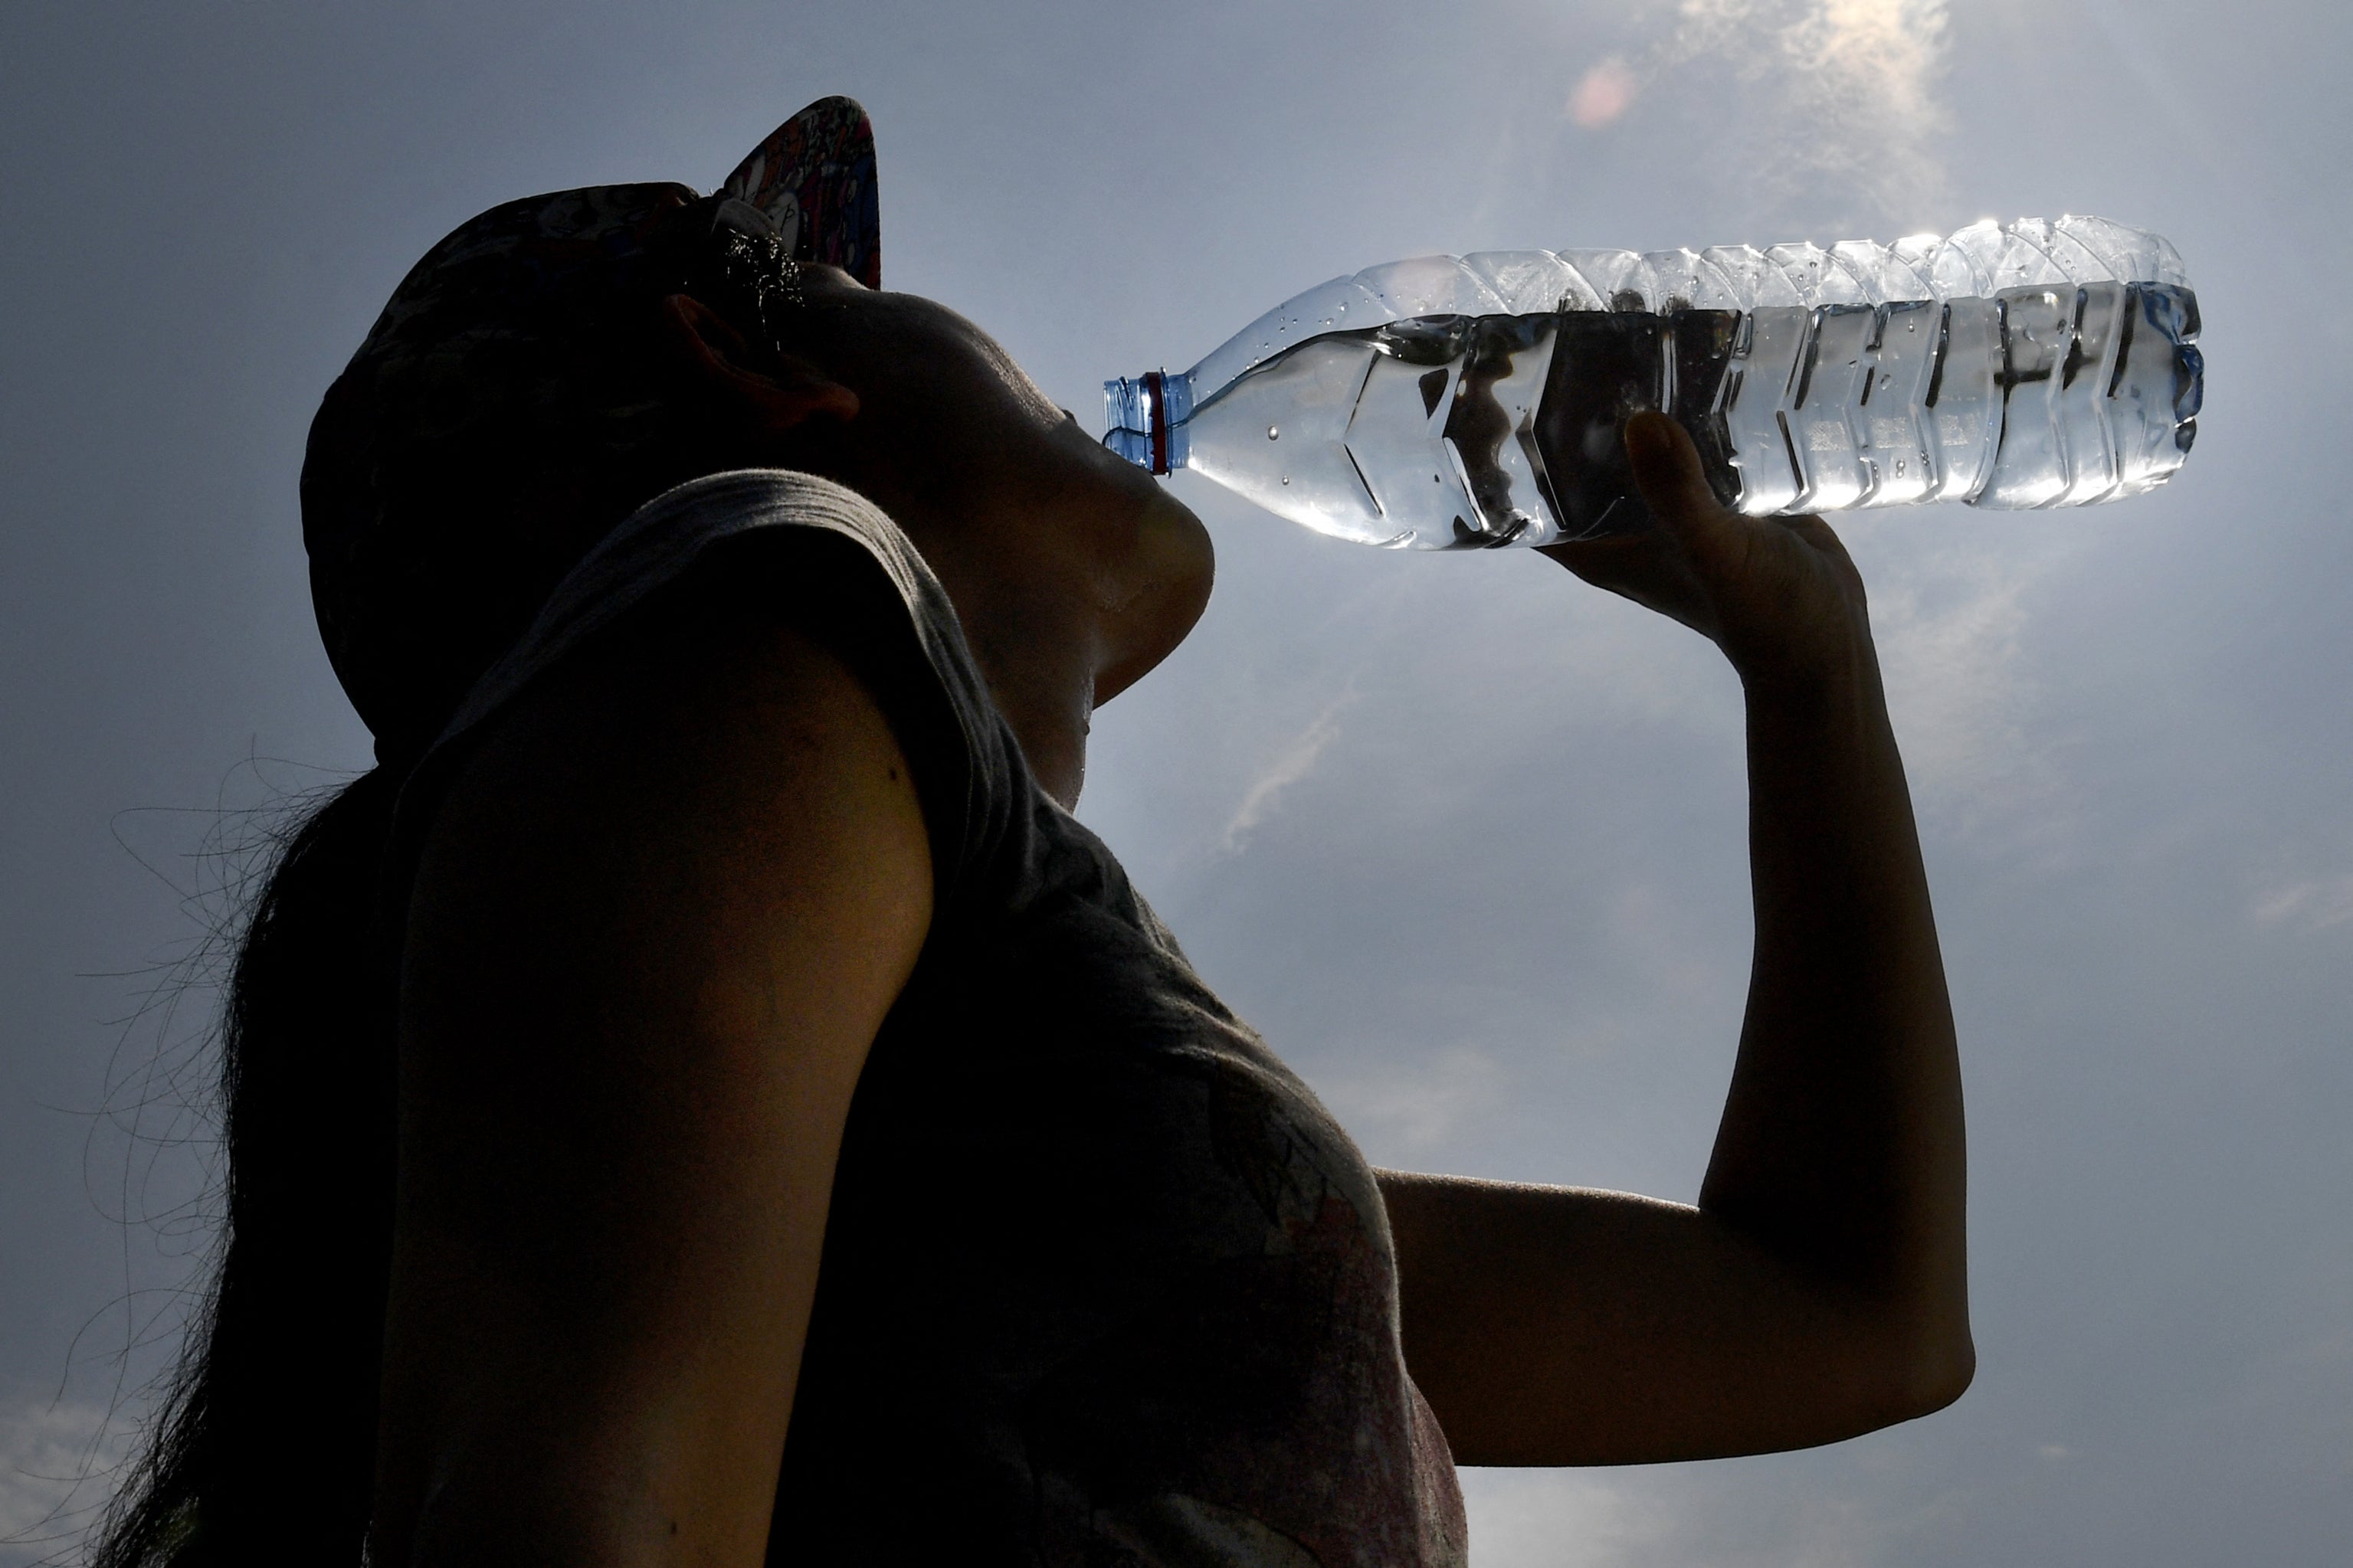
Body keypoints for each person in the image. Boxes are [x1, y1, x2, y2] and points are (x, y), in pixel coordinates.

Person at [93, 99, 1970, 1568]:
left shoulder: (1098, 1135)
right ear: (766, 376)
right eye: (875, 290)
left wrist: (1808, 670)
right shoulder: (764, 600)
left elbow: (1847, 1319)